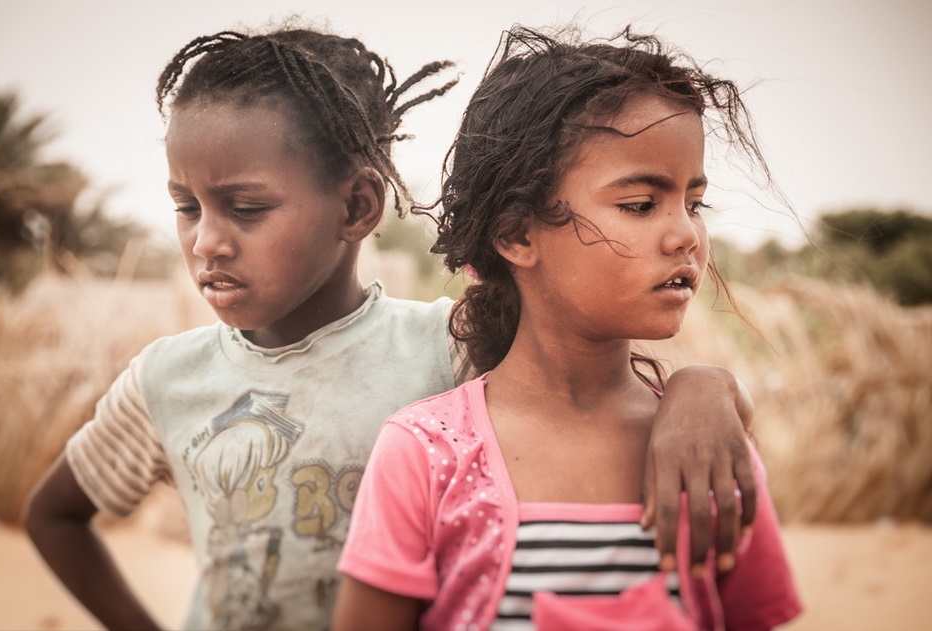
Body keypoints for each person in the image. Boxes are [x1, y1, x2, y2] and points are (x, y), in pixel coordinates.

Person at [25, 22, 760, 631]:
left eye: (245, 208)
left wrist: (702, 386)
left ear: (357, 208)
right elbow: (54, 515)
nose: (206, 241)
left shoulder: (447, 346)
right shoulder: (166, 379)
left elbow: (586, 376)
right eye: (188, 205)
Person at [333, 25, 803, 631]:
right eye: (640, 205)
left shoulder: (708, 452)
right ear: (518, 235)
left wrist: (709, 386)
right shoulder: (428, 453)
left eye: (695, 202)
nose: (686, 234)